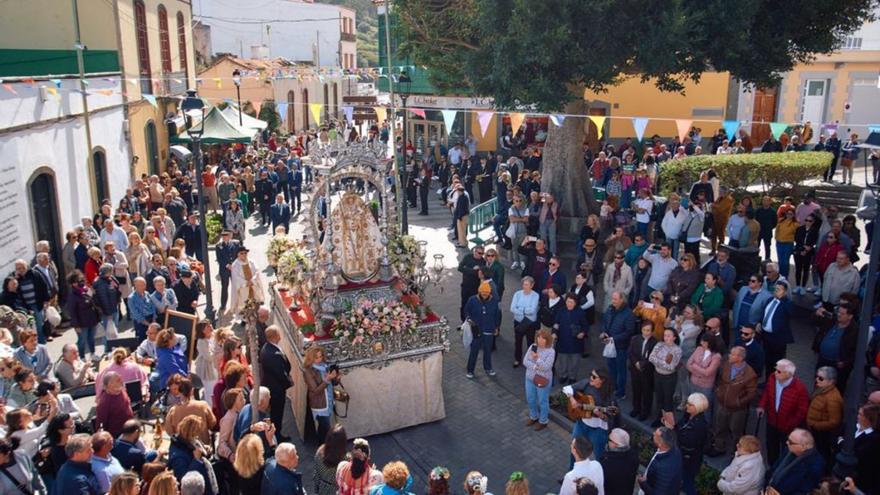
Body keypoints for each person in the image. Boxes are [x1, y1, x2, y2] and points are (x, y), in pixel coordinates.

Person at [757, 359, 810, 465]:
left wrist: (791, 424)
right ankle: (772, 466)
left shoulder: (800, 388)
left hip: (787, 426)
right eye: (776, 370)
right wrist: (761, 406)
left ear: (789, 374)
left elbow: (802, 410)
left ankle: (782, 467)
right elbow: (767, 393)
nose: (776, 373)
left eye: (779, 371)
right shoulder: (772, 378)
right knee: (771, 446)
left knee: (786, 449)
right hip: (772, 421)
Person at [709, 346, 758, 456]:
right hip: (723, 404)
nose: (729, 355)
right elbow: (720, 380)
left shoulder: (750, 374)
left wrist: (738, 403)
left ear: (740, 358)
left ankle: (735, 453)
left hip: (738, 410)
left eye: (732, 354)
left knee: (736, 431)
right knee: (720, 427)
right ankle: (719, 448)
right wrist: (718, 392)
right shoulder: (726, 365)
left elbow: (751, 393)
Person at [563, 368, 614, 462]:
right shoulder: (586, 383)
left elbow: (609, 418)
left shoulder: (608, 395)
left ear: (602, 380)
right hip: (582, 423)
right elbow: (567, 388)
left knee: (599, 456)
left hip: (598, 429)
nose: (591, 378)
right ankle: (572, 473)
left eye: (594, 377)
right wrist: (572, 399)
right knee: (575, 450)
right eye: (591, 374)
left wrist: (600, 415)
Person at [813, 301, 859, 393]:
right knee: (818, 382)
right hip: (822, 360)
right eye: (838, 312)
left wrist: (845, 361)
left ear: (850, 316)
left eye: (842, 313)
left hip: (838, 365)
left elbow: (856, 351)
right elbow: (816, 321)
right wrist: (817, 314)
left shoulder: (855, 331)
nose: (839, 315)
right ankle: (816, 400)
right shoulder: (832, 319)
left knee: (835, 388)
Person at [168, 415, 219, 495]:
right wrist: (196, 460)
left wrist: (205, 449)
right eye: (195, 432)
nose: (197, 435)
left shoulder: (190, 440)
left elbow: (198, 446)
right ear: (189, 432)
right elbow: (183, 479)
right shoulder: (178, 455)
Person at [765, 428, 824, 495]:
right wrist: (767, 487)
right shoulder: (789, 451)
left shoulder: (815, 464)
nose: (787, 443)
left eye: (790, 442)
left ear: (803, 446)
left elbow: (805, 490)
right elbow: (773, 469)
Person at [672, 393, 710, 495]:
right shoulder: (687, 416)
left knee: (688, 483)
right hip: (683, 455)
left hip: (690, 459)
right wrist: (672, 426)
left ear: (697, 407)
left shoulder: (700, 425)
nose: (686, 406)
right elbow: (680, 427)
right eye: (687, 403)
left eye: (690, 405)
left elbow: (689, 442)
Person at [260, 325, 293, 437]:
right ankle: (277, 436)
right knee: (277, 414)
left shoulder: (268, 347)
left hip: (274, 386)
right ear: (274, 336)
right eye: (279, 334)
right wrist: (288, 382)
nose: (280, 336)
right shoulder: (272, 354)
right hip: (276, 390)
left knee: (276, 413)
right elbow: (280, 374)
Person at [806, 366, 843, 463]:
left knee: (822, 453)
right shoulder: (821, 389)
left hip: (822, 433)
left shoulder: (833, 398)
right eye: (816, 376)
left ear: (830, 381)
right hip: (815, 429)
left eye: (821, 378)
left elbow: (835, 421)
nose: (817, 379)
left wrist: (815, 425)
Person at [465, 281, 502, 378]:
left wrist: (497, 327)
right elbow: (467, 311)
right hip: (476, 330)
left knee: (488, 350)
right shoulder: (472, 300)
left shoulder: (494, 301)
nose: (485, 294)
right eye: (483, 292)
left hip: (489, 329)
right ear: (479, 291)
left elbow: (497, 315)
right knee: (474, 350)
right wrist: (469, 319)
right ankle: (470, 370)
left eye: (487, 293)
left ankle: (488, 368)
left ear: (489, 292)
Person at [602, 292, 635, 399]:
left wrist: (613, 338)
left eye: (615, 299)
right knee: (611, 368)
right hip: (609, 344)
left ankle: (621, 392)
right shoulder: (610, 309)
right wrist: (604, 332)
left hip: (621, 347)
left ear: (622, 300)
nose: (613, 301)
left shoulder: (629, 314)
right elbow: (605, 322)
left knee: (621, 370)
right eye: (613, 298)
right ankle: (613, 387)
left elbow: (629, 331)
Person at [303, 346, 338, 443]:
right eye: (316, 357)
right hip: (320, 404)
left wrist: (336, 378)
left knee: (323, 429)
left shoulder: (325, 366)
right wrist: (327, 380)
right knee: (325, 429)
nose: (319, 359)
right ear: (310, 358)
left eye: (320, 356)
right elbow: (315, 390)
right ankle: (324, 449)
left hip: (328, 401)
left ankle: (322, 448)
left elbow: (331, 384)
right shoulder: (308, 371)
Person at [165, 377, 216, 444]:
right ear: (192, 390)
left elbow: (169, 431)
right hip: (202, 446)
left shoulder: (173, 411)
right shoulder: (203, 405)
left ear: (179, 392)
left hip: (182, 448)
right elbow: (212, 423)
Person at [758, 283, 793, 379]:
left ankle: (775, 382)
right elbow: (764, 313)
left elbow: (790, 313)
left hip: (777, 338)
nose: (776, 291)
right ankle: (767, 381)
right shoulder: (770, 300)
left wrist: (782, 299)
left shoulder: (787, 303)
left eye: (779, 289)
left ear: (785, 292)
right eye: (775, 289)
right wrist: (759, 322)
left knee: (776, 362)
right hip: (766, 336)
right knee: (767, 361)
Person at [64, 270, 100, 361]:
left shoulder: (86, 290)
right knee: (82, 341)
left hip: (91, 319)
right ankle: (82, 357)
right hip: (81, 323)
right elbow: (72, 312)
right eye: (78, 281)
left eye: (81, 280)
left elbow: (93, 302)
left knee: (91, 338)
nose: (81, 282)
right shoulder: (73, 295)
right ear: (73, 284)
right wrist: (76, 325)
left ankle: (93, 353)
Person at [649, 328, 682, 427]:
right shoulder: (659, 345)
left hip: (669, 378)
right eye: (665, 335)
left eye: (668, 336)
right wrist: (663, 361)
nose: (666, 338)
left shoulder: (677, 350)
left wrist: (658, 361)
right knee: (659, 398)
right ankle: (658, 418)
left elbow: (671, 366)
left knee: (667, 400)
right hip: (658, 375)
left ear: (674, 337)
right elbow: (651, 358)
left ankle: (668, 422)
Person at [523, 328, 555, 430]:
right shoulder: (533, 346)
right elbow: (525, 361)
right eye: (538, 337)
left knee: (542, 401)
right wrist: (536, 367)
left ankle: (543, 420)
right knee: (530, 399)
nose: (540, 340)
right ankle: (533, 416)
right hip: (530, 378)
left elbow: (546, 367)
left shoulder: (551, 351)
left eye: (543, 338)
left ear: (548, 340)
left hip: (542, 380)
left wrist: (537, 359)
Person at [637, 427, 682, 495]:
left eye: (655, 434)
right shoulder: (675, 450)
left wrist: (643, 483)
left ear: (661, 443)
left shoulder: (663, 467)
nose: (653, 433)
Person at [555, 294, 588, 384]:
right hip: (562, 341)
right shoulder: (561, 311)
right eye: (568, 301)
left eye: (571, 302)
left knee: (574, 362)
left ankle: (572, 377)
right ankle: (563, 375)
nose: (569, 304)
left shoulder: (580, 312)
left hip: (576, 342)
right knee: (563, 361)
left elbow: (585, 326)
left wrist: (582, 333)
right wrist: (554, 332)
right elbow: (556, 323)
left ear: (575, 303)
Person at [686, 334, 722, 415]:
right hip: (694, 382)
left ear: (710, 343)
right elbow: (688, 364)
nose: (701, 343)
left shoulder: (716, 356)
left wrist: (695, 366)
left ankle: (705, 425)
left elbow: (708, 372)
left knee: (705, 407)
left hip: (705, 386)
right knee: (692, 404)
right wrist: (700, 371)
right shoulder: (698, 349)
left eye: (704, 341)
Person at [628, 322, 657, 420]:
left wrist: (642, 364)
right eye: (644, 330)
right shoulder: (635, 339)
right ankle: (636, 408)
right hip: (635, 370)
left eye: (648, 330)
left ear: (652, 331)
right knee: (636, 390)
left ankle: (645, 412)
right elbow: (631, 353)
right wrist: (636, 363)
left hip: (647, 371)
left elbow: (651, 357)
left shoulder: (655, 342)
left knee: (647, 392)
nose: (646, 332)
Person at [598, 428, 638, 495]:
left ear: (616, 445)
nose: (607, 442)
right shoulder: (633, 455)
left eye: (609, 440)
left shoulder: (608, 463)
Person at [510, 277, 540, 367]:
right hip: (518, 322)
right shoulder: (517, 294)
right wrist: (525, 311)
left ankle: (530, 360)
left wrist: (519, 309)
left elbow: (532, 310)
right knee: (518, 341)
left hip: (530, 323)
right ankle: (517, 359)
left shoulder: (536, 295)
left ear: (532, 285)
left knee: (530, 342)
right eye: (523, 284)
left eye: (527, 284)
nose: (524, 286)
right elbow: (512, 308)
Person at [95, 371, 134, 438]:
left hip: (130, 428)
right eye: (118, 380)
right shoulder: (104, 402)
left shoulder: (121, 390)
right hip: (118, 435)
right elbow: (101, 423)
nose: (121, 381)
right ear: (110, 384)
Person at [230, 247, 265, 316]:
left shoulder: (251, 262)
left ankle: (256, 316)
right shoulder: (235, 265)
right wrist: (246, 282)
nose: (244, 255)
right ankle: (245, 319)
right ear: (238, 255)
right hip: (243, 288)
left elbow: (256, 272)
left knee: (255, 301)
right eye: (241, 253)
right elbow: (236, 277)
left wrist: (252, 280)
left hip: (253, 286)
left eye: (245, 253)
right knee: (244, 303)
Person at [314, 424, 347, 495]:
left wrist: (316, 490)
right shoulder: (346, 459)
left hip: (324, 490)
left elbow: (317, 475)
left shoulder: (319, 453)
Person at [90, 430, 125, 495]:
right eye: (111, 441)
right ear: (104, 447)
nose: (113, 442)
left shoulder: (110, 456)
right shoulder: (99, 469)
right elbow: (106, 490)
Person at [216, 230, 241, 313]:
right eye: (223, 236)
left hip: (235, 268)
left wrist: (234, 265)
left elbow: (239, 255)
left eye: (226, 236)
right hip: (224, 269)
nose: (224, 237)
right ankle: (223, 304)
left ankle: (238, 303)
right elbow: (219, 259)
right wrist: (227, 265)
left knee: (236, 287)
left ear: (230, 236)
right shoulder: (219, 246)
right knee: (224, 287)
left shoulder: (236, 243)